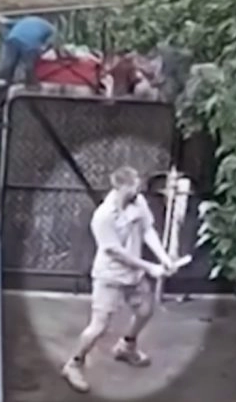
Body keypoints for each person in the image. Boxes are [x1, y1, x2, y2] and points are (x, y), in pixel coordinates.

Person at [61, 166, 186, 393]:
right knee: (99, 327)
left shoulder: (138, 203)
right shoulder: (103, 216)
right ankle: (74, 363)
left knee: (146, 310)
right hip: (109, 276)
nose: (138, 187)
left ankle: (127, 347)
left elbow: (148, 231)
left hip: (134, 277)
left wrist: (164, 258)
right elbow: (116, 252)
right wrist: (150, 267)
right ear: (121, 186)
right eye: (134, 184)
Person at [0, 10, 57, 87]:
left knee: (8, 65)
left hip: (12, 40)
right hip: (30, 44)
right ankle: (31, 86)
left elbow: (5, 21)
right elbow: (50, 43)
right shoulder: (50, 28)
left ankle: (2, 85)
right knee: (29, 66)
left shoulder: (25, 20)